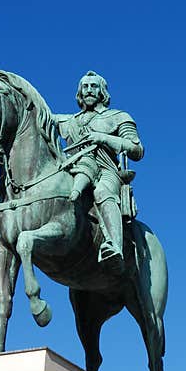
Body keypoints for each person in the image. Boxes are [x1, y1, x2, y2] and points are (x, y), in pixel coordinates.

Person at [54, 71, 144, 273]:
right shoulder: (67, 121)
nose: (88, 90)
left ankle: (115, 247)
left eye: (93, 86)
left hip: (105, 172)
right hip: (73, 170)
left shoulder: (118, 117)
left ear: (102, 91)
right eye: (84, 87)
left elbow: (137, 150)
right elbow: (38, 117)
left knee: (102, 192)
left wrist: (103, 138)